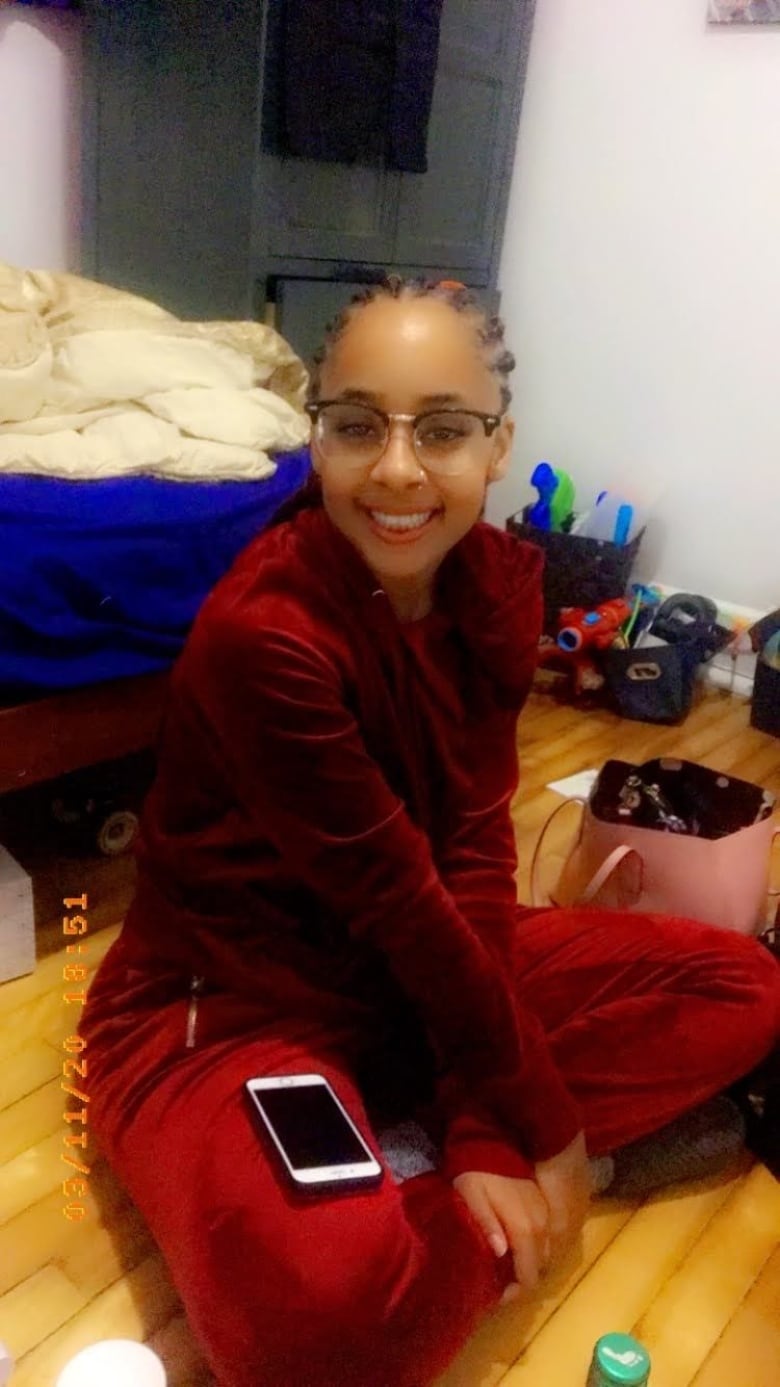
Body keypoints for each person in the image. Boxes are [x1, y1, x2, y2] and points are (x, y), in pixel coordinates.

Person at [79, 277, 780, 1387]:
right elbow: (400, 900)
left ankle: (408, 1165)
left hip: (413, 984)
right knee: (327, 1331)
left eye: (443, 430)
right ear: (318, 441)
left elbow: (468, 860)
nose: (399, 469)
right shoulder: (266, 634)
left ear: (498, 448)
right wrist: (542, 1135)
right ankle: (433, 1192)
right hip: (228, 1008)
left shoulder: (496, 588)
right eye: (357, 425)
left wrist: (489, 1132)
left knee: (744, 988)